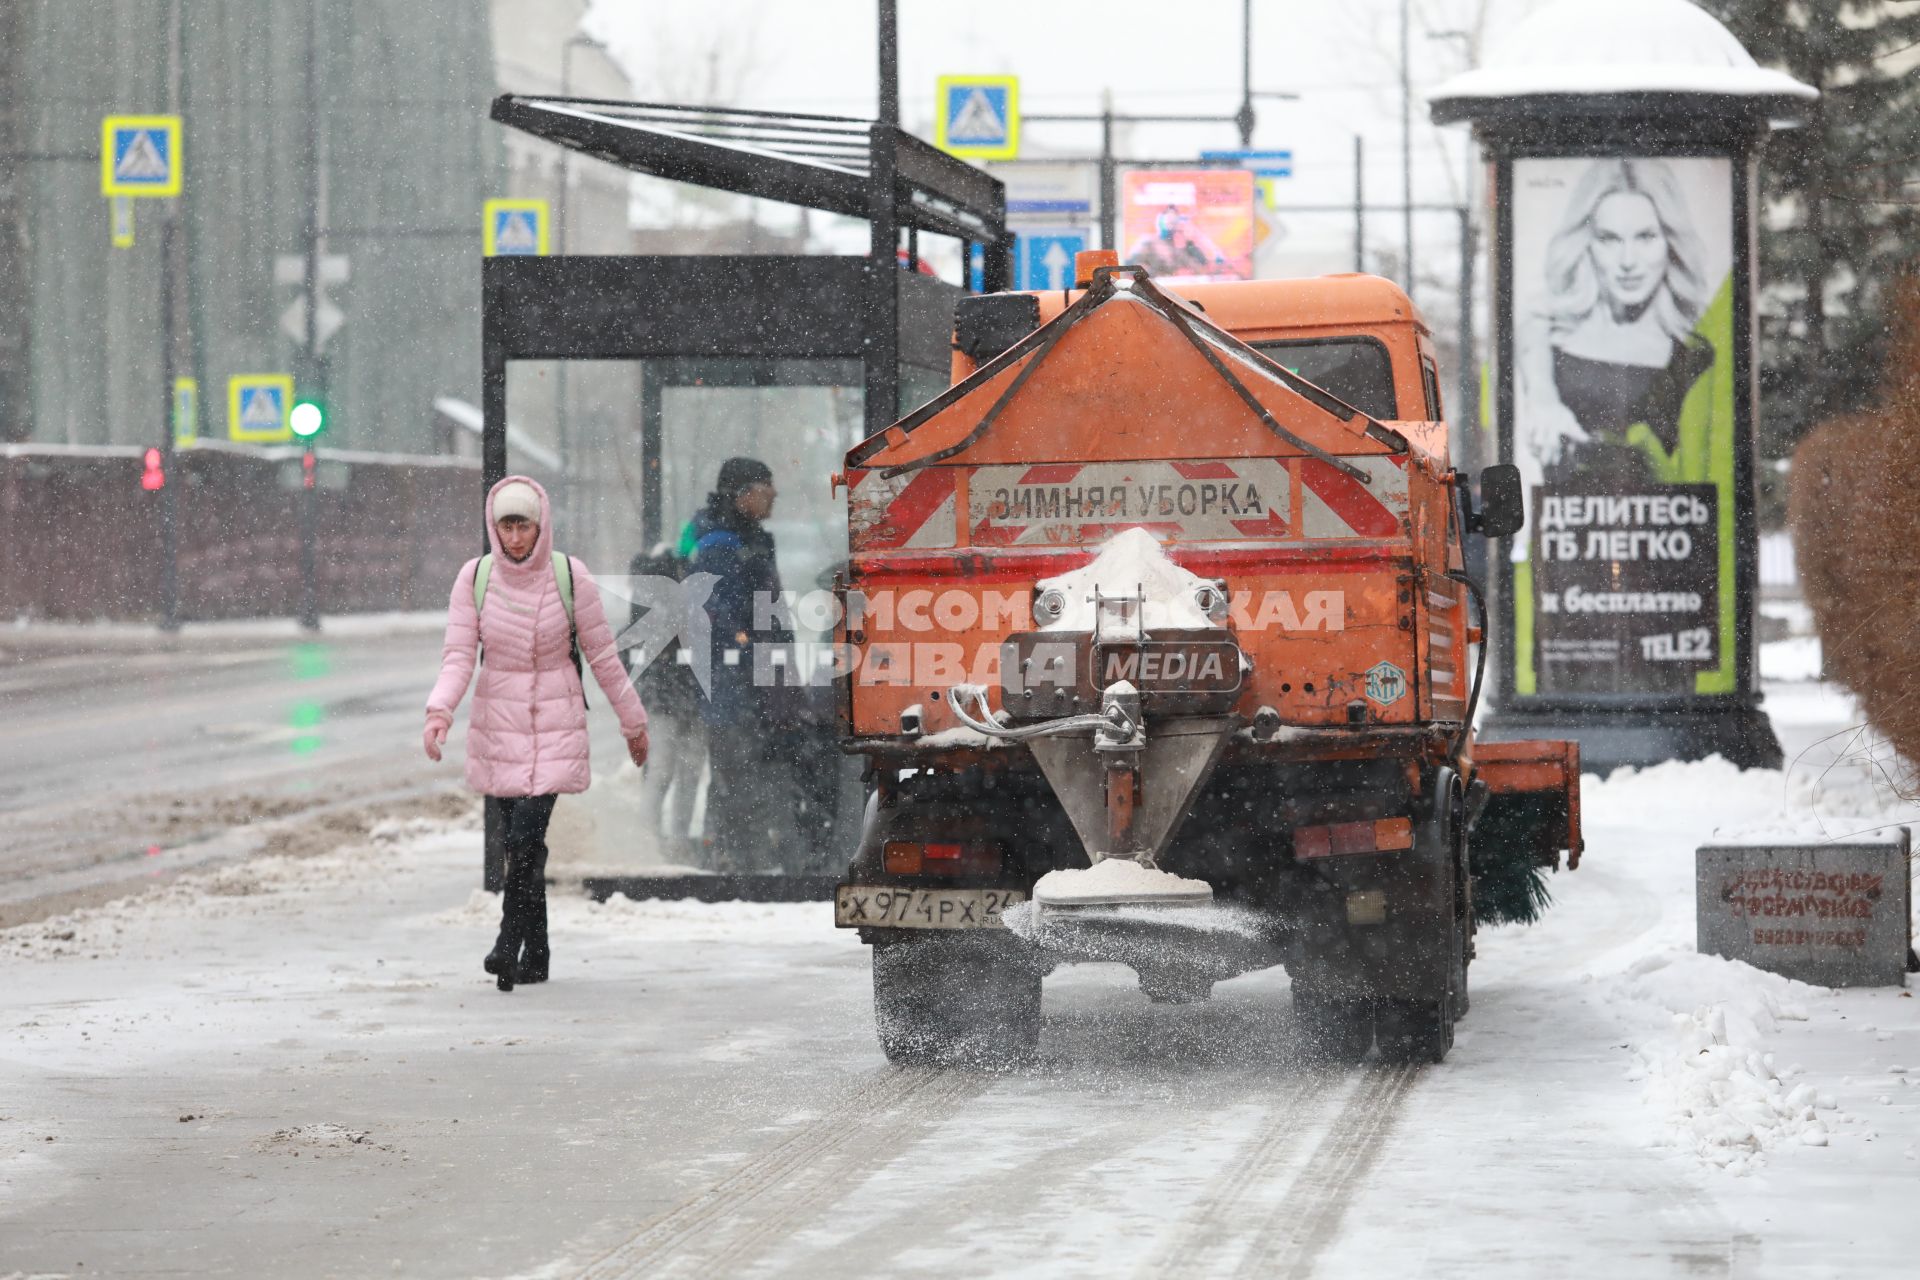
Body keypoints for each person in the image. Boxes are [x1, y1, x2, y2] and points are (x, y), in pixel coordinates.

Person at [423, 476, 650, 992]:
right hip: (498, 727)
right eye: (506, 525)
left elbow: (603, 657)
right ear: (494, 527)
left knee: (525, 838)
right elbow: (458, 655)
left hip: (556, 724)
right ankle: (538, 953)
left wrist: (633, 722)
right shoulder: (475, 578)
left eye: (523, 524)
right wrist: (439, 712)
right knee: (523, 847)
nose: (515, 536)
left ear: (540, 524)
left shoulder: (571, 576)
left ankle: (508, 940)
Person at [1517, 158, 1716, 487]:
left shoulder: (1695, 358)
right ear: (1587, 245)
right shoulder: (1549, 342)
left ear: (1670, 242)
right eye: (1609, 239)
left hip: (1667, 534)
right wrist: (1542, 397)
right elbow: (1530, 326)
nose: (1628, 262)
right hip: (1564, 533)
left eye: (1645, 237)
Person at [684, 456, 798, 873]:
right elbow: (715, 610)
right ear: (743, 494)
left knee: (748, 765)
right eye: (766, 488)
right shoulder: (719, 544)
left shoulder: (752, 537)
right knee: (736, 765)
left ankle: (744, 851)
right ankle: (735, 855)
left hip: (755, 676)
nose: (774, 496)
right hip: (733, 680)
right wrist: (749, 649)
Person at [626, 541, 707, 865]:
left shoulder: (647, 602)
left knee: (662, 773)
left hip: (662, 700)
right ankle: (674, 842)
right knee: (681, 774)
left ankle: (654, 842)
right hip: (683, 700)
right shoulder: (677, 601)